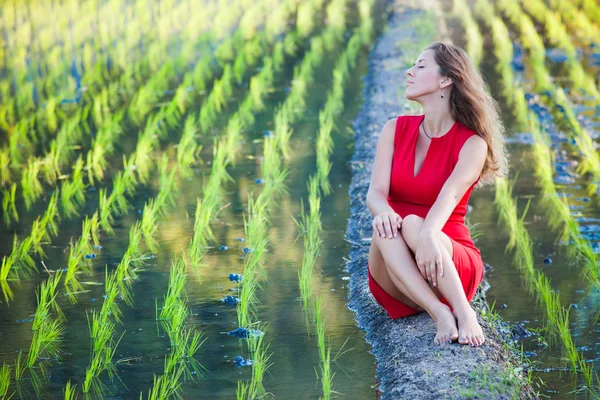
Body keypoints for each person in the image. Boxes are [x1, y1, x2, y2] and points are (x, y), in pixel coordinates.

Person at [365, 42, 509, 347]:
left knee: (415, 224)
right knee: (386, 226)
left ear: (446, 79)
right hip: (397, 274)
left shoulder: (473, 144)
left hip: (449, 261)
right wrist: (387, 213)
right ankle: (440, 312)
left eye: (420, 66)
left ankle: (463, 311)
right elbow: (375, 193)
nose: (409, 71)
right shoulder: (395, 129)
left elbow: (450, 195)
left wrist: (427, 234)